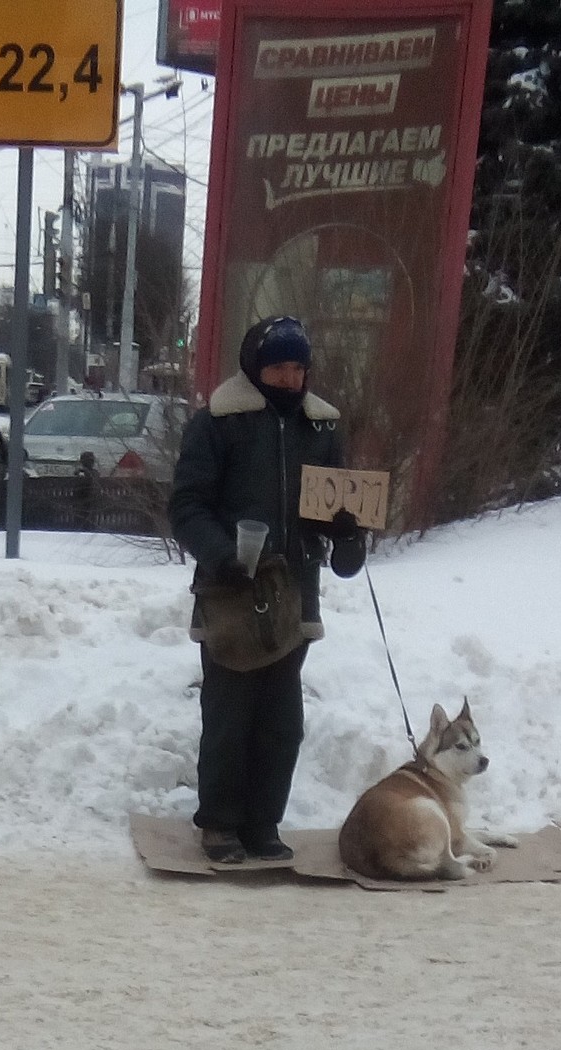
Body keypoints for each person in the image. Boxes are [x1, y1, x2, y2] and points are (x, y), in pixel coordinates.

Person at [168, 316, 366, 864]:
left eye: (298, 367)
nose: (289, 377)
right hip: (231, 596)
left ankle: (262, 823)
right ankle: (220, 825)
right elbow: (186, 507)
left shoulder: (321, 429)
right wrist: (221, 553)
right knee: (230, 714)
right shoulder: (216, 425)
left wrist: (348, 536)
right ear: (255, 367)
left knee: (281, 721)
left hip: (292, 594)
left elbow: (331, 511)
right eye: (279, 366)